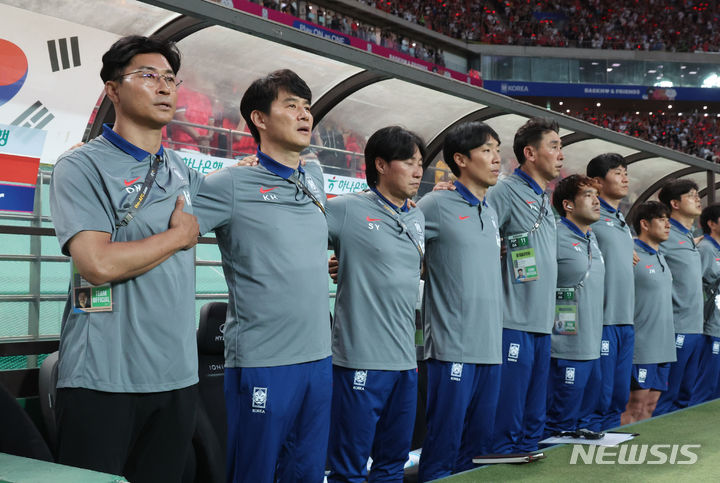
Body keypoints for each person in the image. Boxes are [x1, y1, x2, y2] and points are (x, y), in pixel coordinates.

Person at [49, 35, 201, 482]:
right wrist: (177, 238)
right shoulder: (81, 166)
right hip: (102, 379)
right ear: (113, 89)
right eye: (148, 76)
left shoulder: (185, 171)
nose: (164, 87)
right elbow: (96, 264)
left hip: (176, 378)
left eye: (170, 79)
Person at [193, 69, 332, 483]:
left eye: (307, 107)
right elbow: (169, 227)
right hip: (264, 361)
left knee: (307, 471)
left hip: (319, 359)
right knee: (254, 472)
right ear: (259, 119)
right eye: (291, 105)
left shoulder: (316, 180)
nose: (305, 114)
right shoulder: (230, 183)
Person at [325, 126, 425, 483]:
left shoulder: (417, 216)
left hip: (404, 362)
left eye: (421, 163)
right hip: (359, 361)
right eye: (409, 162)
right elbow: (293, 232)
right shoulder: (347, 209)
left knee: (391, 466)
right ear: (381, 165)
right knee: (348, 468)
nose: (418, 171)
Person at [416, 121, 503, 482]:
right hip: (453, 347)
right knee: (443, 446)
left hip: (490, 348)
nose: (497, 158)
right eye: (487, 150)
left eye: (498, 150)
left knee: (478, 448)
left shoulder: (491, 210)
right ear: (460, 159)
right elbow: (396, 240)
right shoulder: (435, 203)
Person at [489, 117, 562, 454]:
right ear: (530, 153)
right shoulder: (505, 190)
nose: (560, 154)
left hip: (542, 323)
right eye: (554, 146)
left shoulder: (544, 199)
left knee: (533, 418)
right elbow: (481, 236)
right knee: (508, 419)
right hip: (512, 322)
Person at [544, 175, 605, 437]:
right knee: (559, 423)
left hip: (592, 345)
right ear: (568, 204)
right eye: (588, 195)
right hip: (564, 347)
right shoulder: (553, 235)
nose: (596, 200)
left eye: (596, 194)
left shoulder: (592, 238)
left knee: (583, 423)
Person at [584, 153, 635, 431]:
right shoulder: (589, 215)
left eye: (625, 172)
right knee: (599, 397)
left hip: (625, 320)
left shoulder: (620, 220)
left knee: (617, 396)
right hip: (601, 321)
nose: (625, 177)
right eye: (617, 172)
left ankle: (608, 446)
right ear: (597, 182)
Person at [654, 180, 704, 415]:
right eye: (691, 195)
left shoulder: (688, 236)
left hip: (695, 327)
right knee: (666, 395)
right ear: (674, 203)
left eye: (697, 194)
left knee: (684, 395)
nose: (697, 198)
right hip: (675, 326)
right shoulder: (664, 234)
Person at [622, 202, 675, 422]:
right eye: (662, 219)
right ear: (644, 224)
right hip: (641, 347)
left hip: (663, 346)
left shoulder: (661, 256)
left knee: (650, 407)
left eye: (668, 220)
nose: (668, 225)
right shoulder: (631, 254)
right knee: (633, 406)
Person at [690, 204, 720, 403]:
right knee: (705, 384)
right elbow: (692, 286)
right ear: (712, 223)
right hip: (710, 327)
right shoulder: (705, 249)